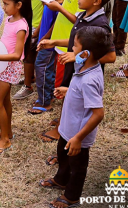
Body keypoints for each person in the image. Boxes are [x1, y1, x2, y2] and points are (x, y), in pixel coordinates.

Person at [39, 0, 117, 166]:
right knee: (68, 109)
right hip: (74, 71)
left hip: (84, 75)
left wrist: (77, 57)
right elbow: (76, 41)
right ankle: (63, 147)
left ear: (96, 1)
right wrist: (55, 42)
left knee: (77, 114)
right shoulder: (83, 15)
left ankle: (71, 148)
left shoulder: (100, 25)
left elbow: (110, 56)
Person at [40, 26, 112, 208]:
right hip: (67, 128)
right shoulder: (83, 65)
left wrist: (79, 138)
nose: (72, 49)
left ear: (86, 53)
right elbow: (78, 87)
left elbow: (98, 113)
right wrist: (69, 90)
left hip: (78, 134)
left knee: (78, 167)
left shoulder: (90, 79)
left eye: (75, 46)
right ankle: (61, 179)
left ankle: (72, 196)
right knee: (63, 156)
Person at [37, 0, 91, 143]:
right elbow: (71, 5)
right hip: (62, 45)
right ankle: (63, 120)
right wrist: (61, 1)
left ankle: (63, 127)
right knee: (63, 85)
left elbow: (79, 19)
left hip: (70, 48)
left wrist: (58, 8)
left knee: (67, 88)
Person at [0, 0, 32, 157]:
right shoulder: (10, 19)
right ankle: (7, 132)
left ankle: (5, 139)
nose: (3, 7)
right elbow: (6, 43)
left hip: (10, 66)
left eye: (6, 4)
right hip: (3, 64)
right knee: (4, 101)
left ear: (18, 5)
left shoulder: (21, 25)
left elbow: (17, 54)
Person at [29, 0, 69, 115]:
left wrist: (47, 37)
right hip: (44, 36)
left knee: (42, 67)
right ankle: (47, 96)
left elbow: (58, 18)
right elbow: (47, 14)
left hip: (50, 38)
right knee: (46, 67)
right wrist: (38, 33)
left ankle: (45, 101)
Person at [13, 0, 50, 100]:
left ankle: (28, 86)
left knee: (28, 56)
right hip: (30, 24)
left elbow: (46, 8)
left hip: (36, 26)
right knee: (27, 56)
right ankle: (30, 78)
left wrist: (39, 29)